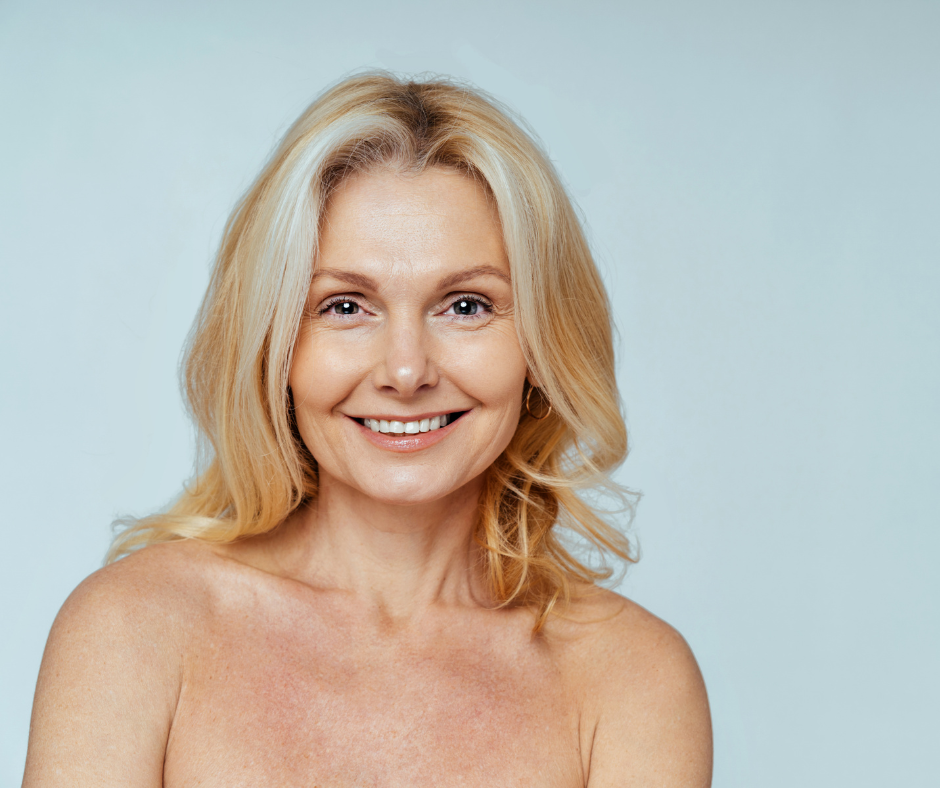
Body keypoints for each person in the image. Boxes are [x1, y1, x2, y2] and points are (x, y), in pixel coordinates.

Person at [22, 72, 712, 786]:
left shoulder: (631, 681)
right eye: (345, 307)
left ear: (540, 345)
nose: (406, 371)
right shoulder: (135, 630)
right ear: (275, 343)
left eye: (466, 305)